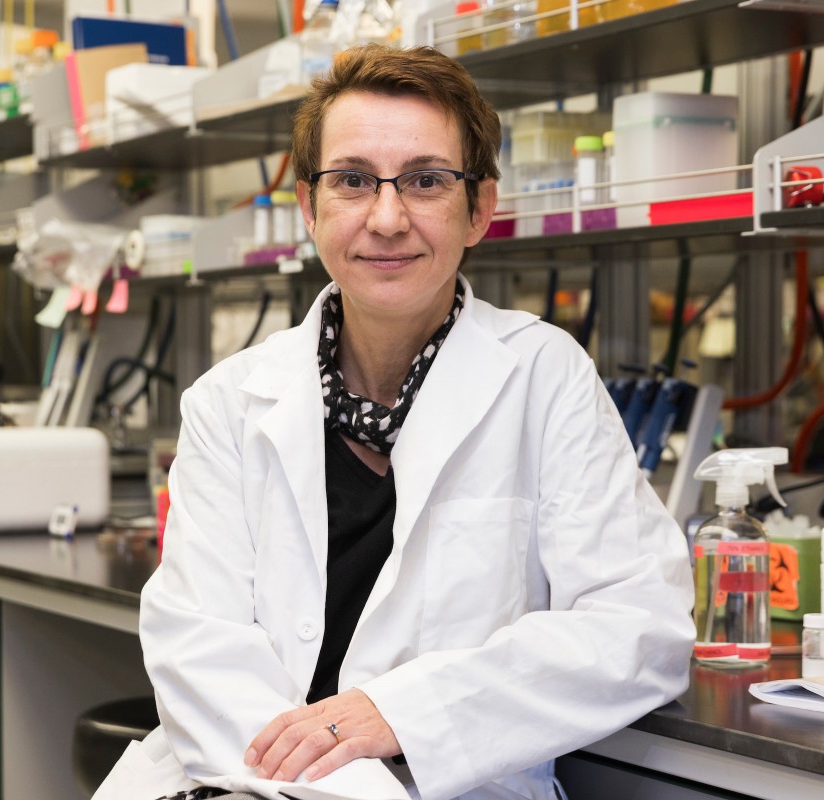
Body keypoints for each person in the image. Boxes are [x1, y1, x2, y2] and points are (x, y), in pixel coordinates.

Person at [95, 44, 694, 800]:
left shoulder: (544, 376)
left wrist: (403, 712)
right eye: (352, 181)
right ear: (310, 209)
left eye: (425, 181)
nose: (386, 217)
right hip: (243, 784)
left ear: (478, 208)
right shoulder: (230, 400)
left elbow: (638, 626)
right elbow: (197, 647)